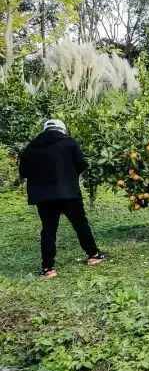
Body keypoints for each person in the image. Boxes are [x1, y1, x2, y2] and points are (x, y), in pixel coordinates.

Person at [18, 119, 106, 278]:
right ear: (62, 130)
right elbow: (81, 164)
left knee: (49, 230)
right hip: (68, 192)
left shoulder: (31, 148)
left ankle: (48, 268)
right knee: (80, 224)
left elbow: (24, 172)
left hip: (43, 196)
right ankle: (93, 255)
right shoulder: (69, 143)